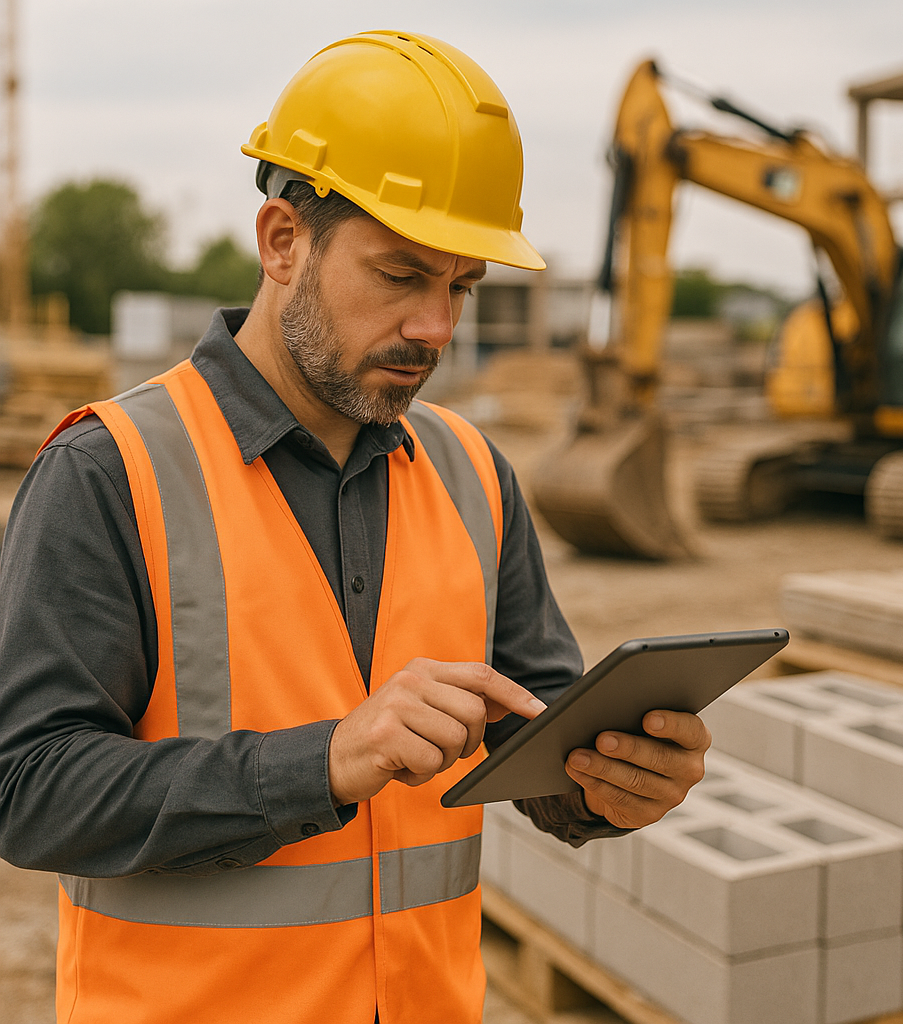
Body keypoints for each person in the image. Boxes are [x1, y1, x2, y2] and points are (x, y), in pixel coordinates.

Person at [0, 30, 710, 1024]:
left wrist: (605, 785)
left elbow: (536, 732)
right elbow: (30, 788)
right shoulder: (108, 471)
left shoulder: (473, 474)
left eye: (461, 287)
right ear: (283, 240)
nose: (438, 327)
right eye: (401, 275)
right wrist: (324, 761)